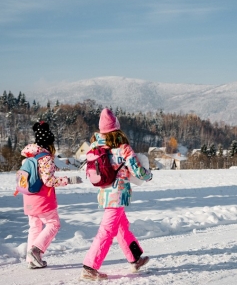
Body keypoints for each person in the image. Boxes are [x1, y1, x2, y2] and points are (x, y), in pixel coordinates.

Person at [80, 108, 153, 281]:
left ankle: (135, 258)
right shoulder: (123, 148)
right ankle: (90, 267)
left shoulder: (94, 147)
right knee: (107, 231)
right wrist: (148, 176)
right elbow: (138, 171)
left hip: (104, 192)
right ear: (116, 128)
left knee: (121, 227)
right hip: (118, 193)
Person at [22, 121, 82, 269]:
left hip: (29, 197)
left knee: (34, 227)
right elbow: (48, 181)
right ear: (49, 143)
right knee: (53, 224)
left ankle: (32, 260)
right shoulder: (46, 157)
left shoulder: (30, 156)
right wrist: (69, 180)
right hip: (42, 198)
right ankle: (36, 251)